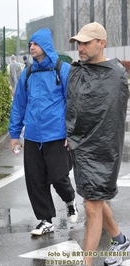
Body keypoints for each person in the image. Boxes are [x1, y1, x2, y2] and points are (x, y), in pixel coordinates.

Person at [66, 22, 130, 266]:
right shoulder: (75, 71)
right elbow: (72, 106)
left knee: (92, 206)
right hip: (79, 146)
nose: (80, 48)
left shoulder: (115, 74)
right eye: (78, 43)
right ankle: (120, 239)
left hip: (103, 150)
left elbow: (113, 116)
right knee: (94, 199)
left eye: (86, 43)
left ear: (101, 43)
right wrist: (69, 133)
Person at [9, 28, 78, 236]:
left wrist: (71, 132)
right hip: (32, 136)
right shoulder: (28, 73)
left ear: (45, 46)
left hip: (56, 135)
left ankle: (70, 201)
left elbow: (74, 103)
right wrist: (14, 135)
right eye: (30, 44)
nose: (31, 48)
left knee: (59, 177)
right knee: (35, 180)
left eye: (35, 44)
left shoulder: (62, 69)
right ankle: (45, 220)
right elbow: (19, 104)